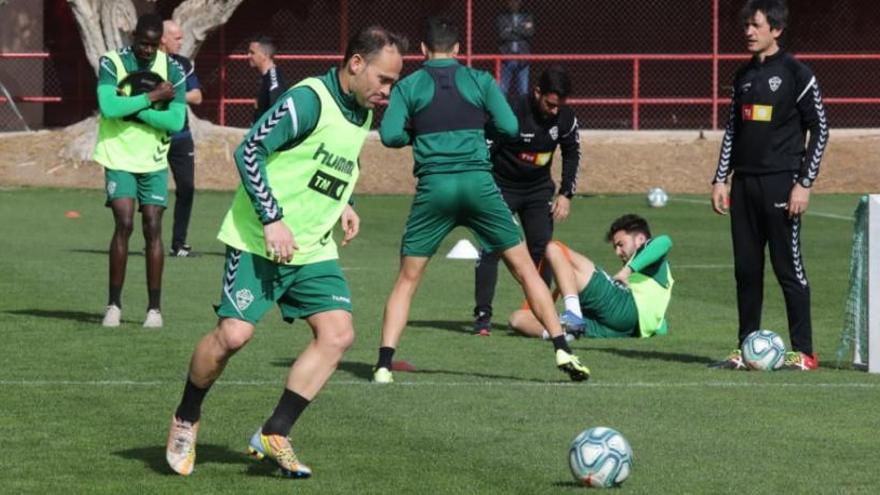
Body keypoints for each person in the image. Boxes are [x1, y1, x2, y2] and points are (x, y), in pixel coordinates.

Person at [165, 26, 406, 478]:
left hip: (312, 247)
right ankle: (186, 416)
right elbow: (250, 149)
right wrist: (272, 218)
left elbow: (338, 158)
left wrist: (346, 203)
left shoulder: (363, 110)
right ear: (356, 63)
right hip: (259, 240)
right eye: (384, 79)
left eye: (394, 82)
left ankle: (275, 432)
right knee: (233, 337)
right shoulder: (308, 100)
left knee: (338, 335)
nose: (388, 91)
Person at [372, 16, 590, 385]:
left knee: (407, 280)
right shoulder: (480, 80)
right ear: (458, 50)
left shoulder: (410, 85)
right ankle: (562, 348)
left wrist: (423, 134)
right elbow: (508, 127)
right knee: (523, 267)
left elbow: (390, 135)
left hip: (435, 188)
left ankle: (382, 365)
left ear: (423, 51)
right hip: (479, 185)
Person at [709, 0, 828, 371]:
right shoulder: (742, 75)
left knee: (788, 269)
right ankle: (746, 348)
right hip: (744, 186)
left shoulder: (797, 74)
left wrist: (803, 184)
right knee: (746, 269)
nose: (748, 31)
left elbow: (820, 130)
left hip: (782, 185)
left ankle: (804, 353)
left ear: (775, 30)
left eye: (756, 25)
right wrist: (720, 178)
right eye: (746, 24)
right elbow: (733, 129)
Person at [473, 65, 581, 336]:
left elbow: (572, 154)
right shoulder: (510, 113)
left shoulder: (565, 119)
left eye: (559, 105)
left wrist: (566, 194)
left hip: (537, 191)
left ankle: (536, 315)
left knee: (542, 249)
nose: (554, 110)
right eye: (550, 103)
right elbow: (483, 152)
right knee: (492, 247)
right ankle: (482, 317)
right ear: (536, 93)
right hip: (502, 188)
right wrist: (487, 194)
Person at [94, 13, 186, 328]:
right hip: (118, 156)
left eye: (152, 45)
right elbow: (108, 107)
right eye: (141, 43)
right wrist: (152, 98)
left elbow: (175, 121)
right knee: (124, 222)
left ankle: (154, 310)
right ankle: (114, 305)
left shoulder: (173, 68)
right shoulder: (111, 62)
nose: (146, 51)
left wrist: (134, 109)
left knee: (152, 227)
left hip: (154, 160)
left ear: (160, 41)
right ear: (133, 37)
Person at [507, 215, 673, 341]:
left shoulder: (652, 255)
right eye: (615, 247)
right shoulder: (655, 281)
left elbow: (665, 241)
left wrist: (626, 271)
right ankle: (562, 335)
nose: (617, 252)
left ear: (641, 239)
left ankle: (573, 316)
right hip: (619, 330)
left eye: (621, 244)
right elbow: (660, 324)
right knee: (518, 319)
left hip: (623, 308)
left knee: (554, 248)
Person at [160, 19, 203, 257]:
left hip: (181, 136)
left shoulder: (184, 64)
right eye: (176, 37)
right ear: (162, 38)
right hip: (154, 136)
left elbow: (196, 96)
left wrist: (170, 94)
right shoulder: (149, 63)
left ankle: (179, 244)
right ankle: (152, 239)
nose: (181, 41)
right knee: (151, 192)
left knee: (187, 188)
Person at [495, 0, 534, 98]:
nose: (514, 3)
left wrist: (511, 29)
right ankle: (501, 111)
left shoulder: (527, 16)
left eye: (517, 1)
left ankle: (522, 112)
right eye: (511, 1)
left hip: (523, 58)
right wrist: (521, 29)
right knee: (502, 90)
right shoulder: (502, 17)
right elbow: (502, 35)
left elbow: (529, 33)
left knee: (523, 91)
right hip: (506, 58)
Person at [247, 35, 286, 123]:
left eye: (252, 52)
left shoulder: (273, 79)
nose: (248, 55)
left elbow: (277, 113)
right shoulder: (265, 77)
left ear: (265, 55)